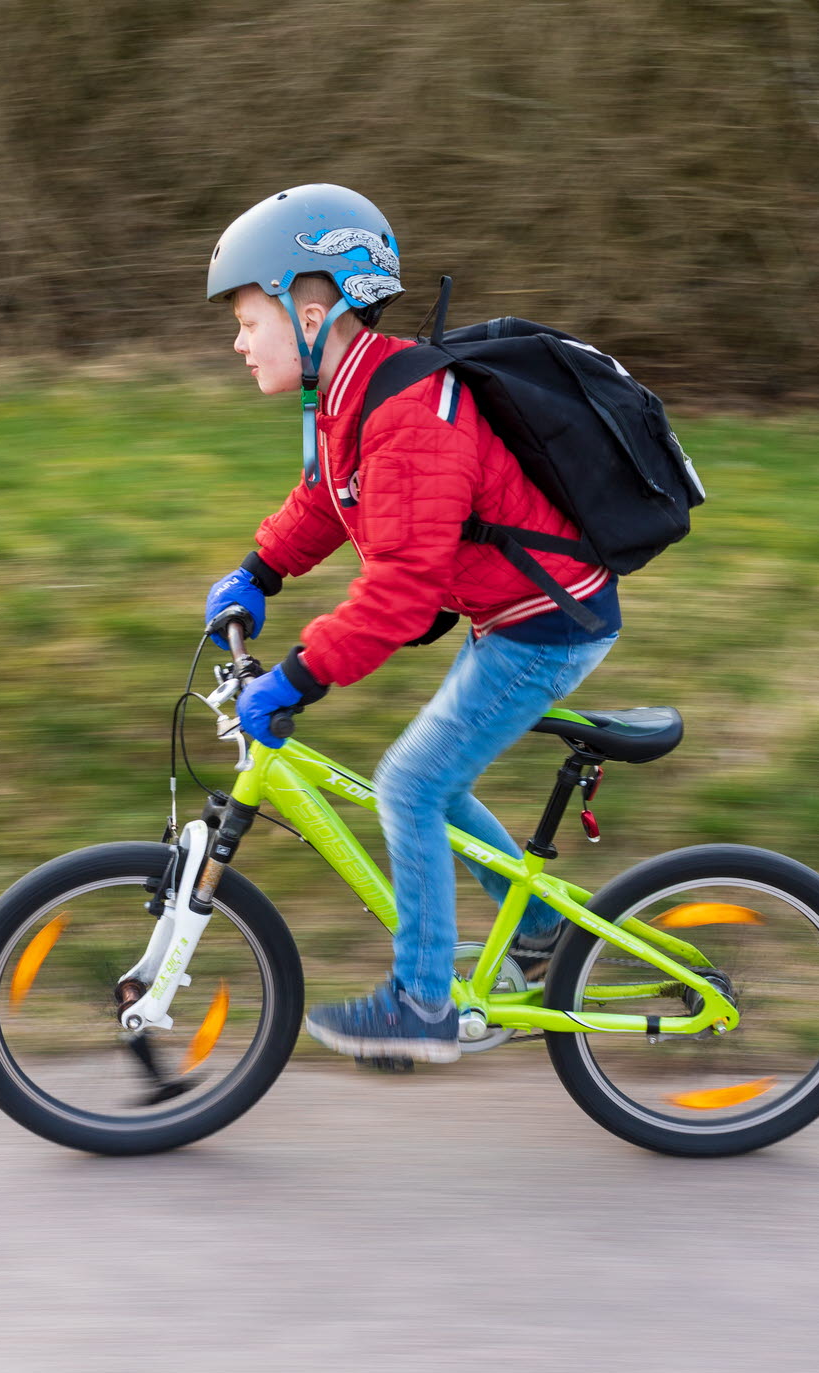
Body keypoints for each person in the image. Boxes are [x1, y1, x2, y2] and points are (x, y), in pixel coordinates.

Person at [201, 183, 618, 1065]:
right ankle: (542, 932)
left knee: (409, 786)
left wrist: (300, 676)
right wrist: (257, 571)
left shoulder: (411, 413)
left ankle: (424, 1003)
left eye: (247, 320)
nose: (238, 343)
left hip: (546, 624)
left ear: (312, 312)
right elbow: (327, 500)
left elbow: (400, 590)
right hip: (510, 616)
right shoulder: (356, 395)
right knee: (440, 779)